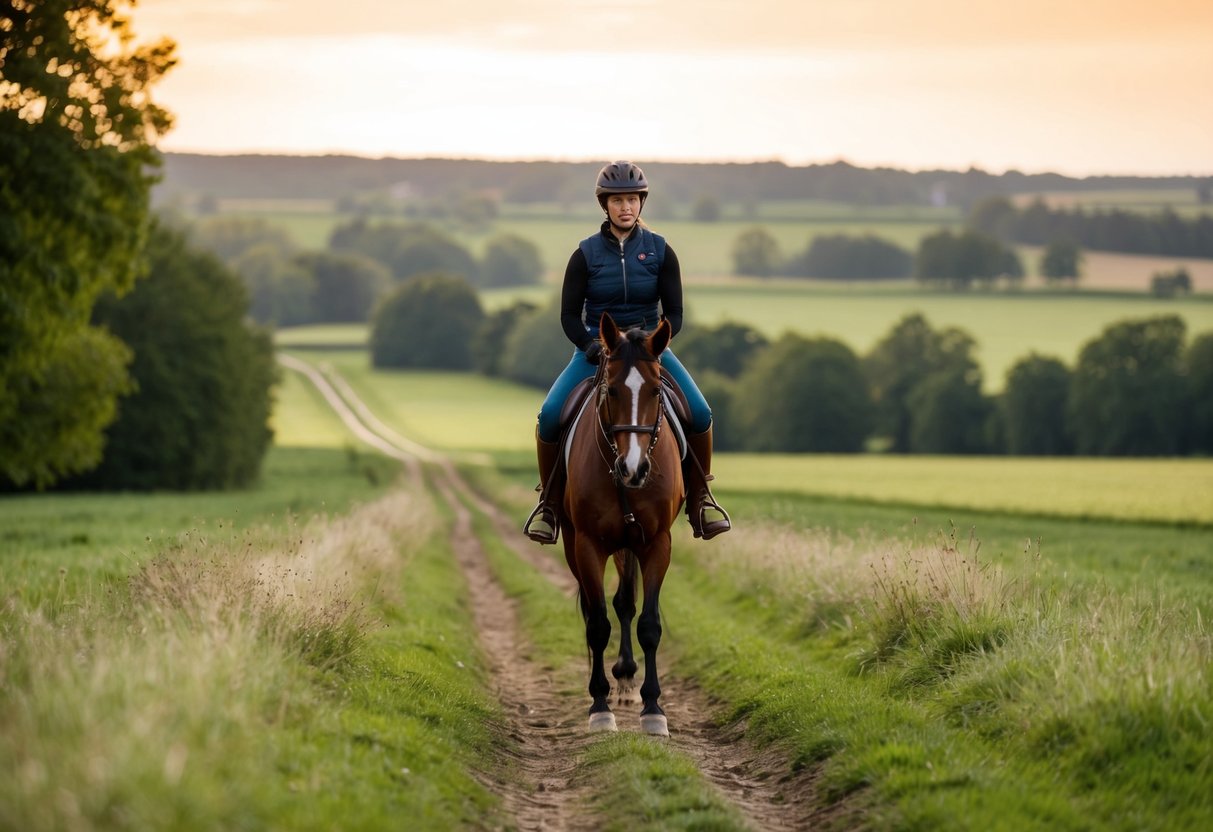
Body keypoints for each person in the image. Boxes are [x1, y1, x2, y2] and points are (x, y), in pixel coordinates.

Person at [523, 161, 731, 544]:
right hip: (594, 351)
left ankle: (700, 500)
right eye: (618, 200)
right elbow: (569, 315)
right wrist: (590, 346)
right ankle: (550, 506)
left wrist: (655, 346)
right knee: (550, 415)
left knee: (700, 412)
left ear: (641, 203)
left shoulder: (660, 251)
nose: (626, 207)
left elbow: (676, 313)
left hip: (649, 351)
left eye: (632, 199)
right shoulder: (584, 255)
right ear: (605, 204)